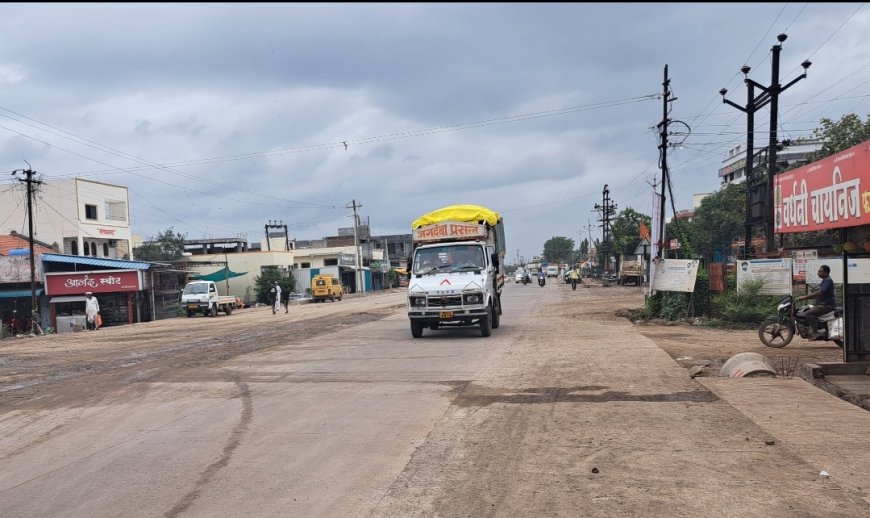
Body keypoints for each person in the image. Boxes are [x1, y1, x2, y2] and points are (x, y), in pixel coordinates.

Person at [797, 264, 836, 339]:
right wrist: (806, 298)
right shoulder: (825, 281)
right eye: (818, 272)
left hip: (826, 305)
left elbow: (819, 292)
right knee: (807, 309)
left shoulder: (828, 280)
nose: (818, 273)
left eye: (820, 272)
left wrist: (804, 297)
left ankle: (815, 332)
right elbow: (818, 294)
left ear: (826, 272)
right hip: (822, 304)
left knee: (808, 313)